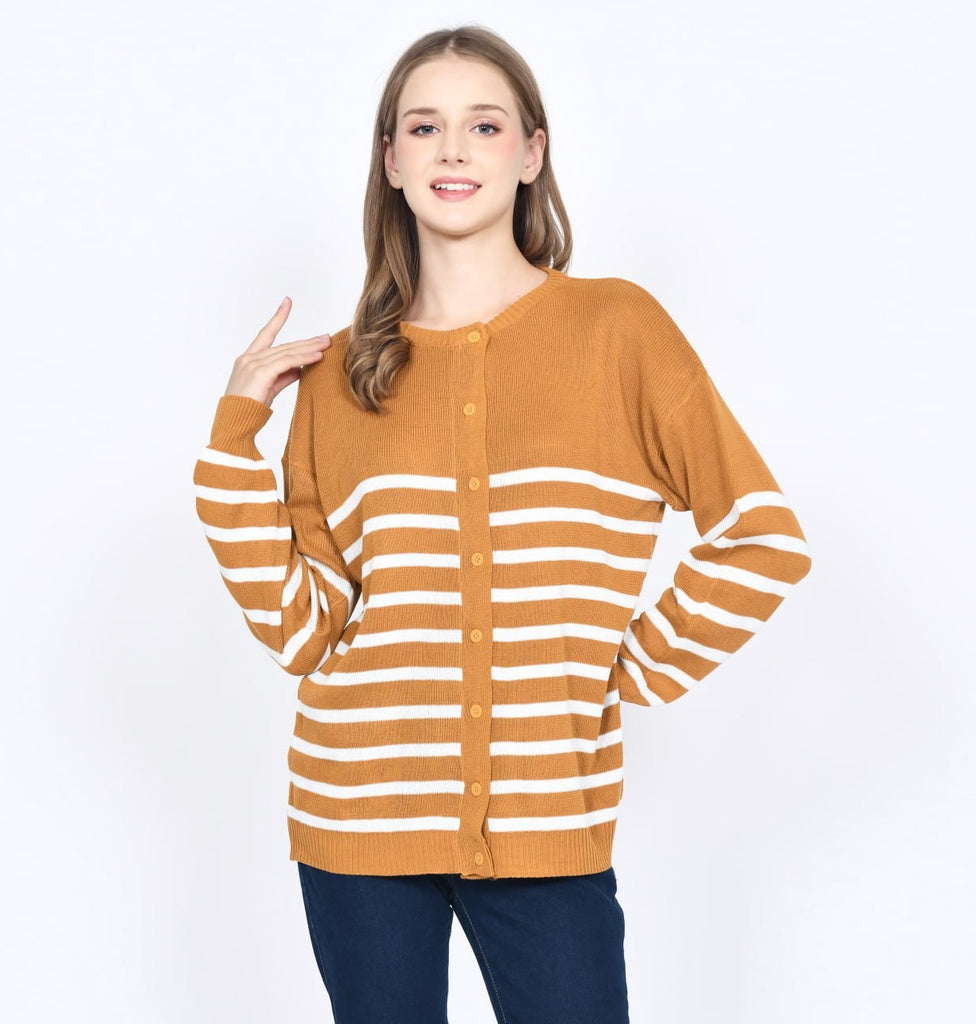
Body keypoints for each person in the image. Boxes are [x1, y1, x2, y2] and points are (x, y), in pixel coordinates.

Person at [192, 23, 812, 1024]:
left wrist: (629, 666)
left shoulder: (617, 330)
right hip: (356, 826)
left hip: (547, 820)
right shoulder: (342, 375)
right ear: (390, 161)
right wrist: (234, 436)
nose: (453, 149)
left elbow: (762, 535)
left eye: (483, 125)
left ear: (531, 153)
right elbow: (303, 632)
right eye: (423, 127)